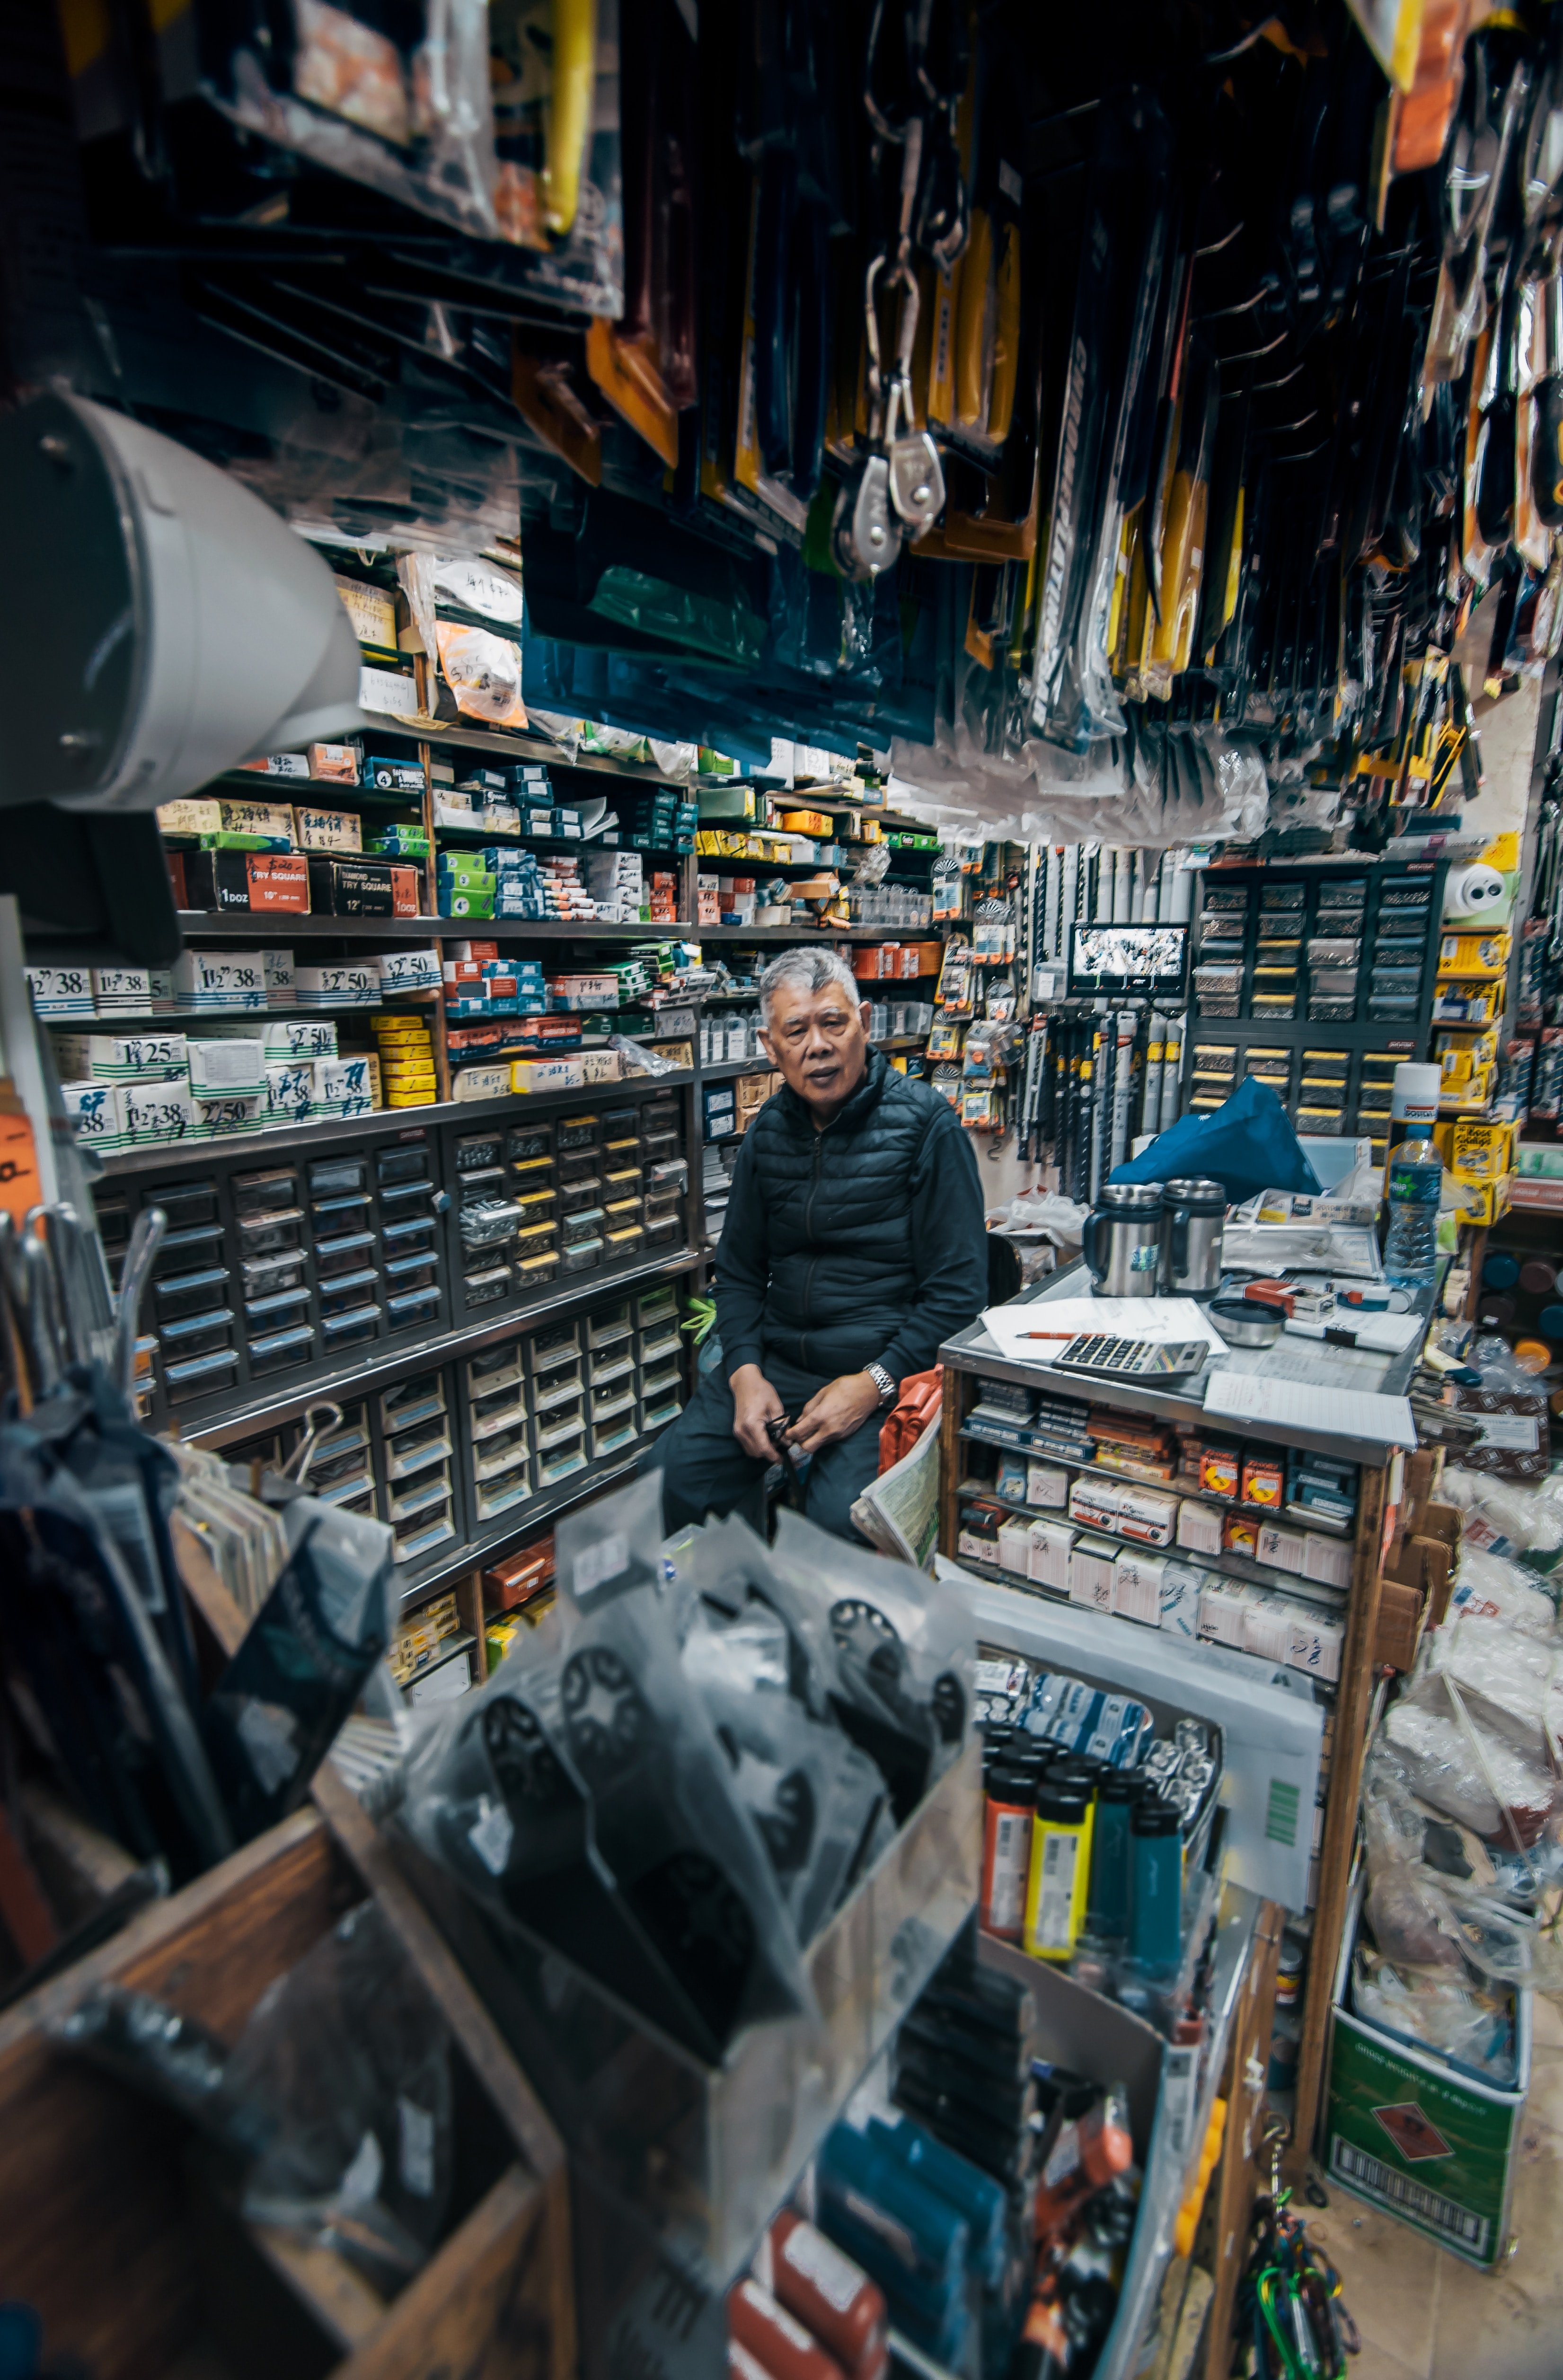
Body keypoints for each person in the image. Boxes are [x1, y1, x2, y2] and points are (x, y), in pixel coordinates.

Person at [647, 947, 988, 1539]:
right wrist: (746, 1374)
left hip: (883, 1371)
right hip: (778, 1366)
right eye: (796, 1030)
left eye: (834, 1022)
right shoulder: (768, 1134)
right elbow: (742, 1273)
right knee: (671, 1480)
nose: (819, 1046)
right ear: (769, 1046)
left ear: (866, 1021)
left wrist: (873, 1384)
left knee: (841, 1525)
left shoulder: (928, 1126)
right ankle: (733, 1611)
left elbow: (957, 1295)